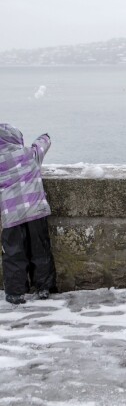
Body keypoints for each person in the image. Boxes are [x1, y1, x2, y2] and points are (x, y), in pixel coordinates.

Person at [0, 124, 56, 304]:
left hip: (11, 216)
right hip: (35, 212)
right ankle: (44, 288)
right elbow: (43, 143)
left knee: (13, 253)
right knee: (40, 250)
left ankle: (15, 292)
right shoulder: (28, 155)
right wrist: (45, 135)